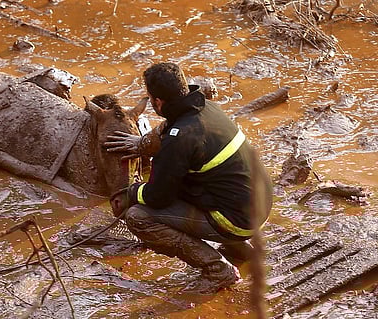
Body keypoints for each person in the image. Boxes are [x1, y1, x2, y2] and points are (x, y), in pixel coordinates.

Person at [105, 62, 273, 293]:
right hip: (259, 207)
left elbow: (157, 197)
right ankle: (241, 249)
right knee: (203, 183)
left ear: (157, 102)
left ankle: (217, 269)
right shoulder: (206, 109)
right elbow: (166, 129)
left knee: (138, 215)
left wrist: (131, 192)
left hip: (237, 220)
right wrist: (141, 144)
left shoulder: (179, 139)